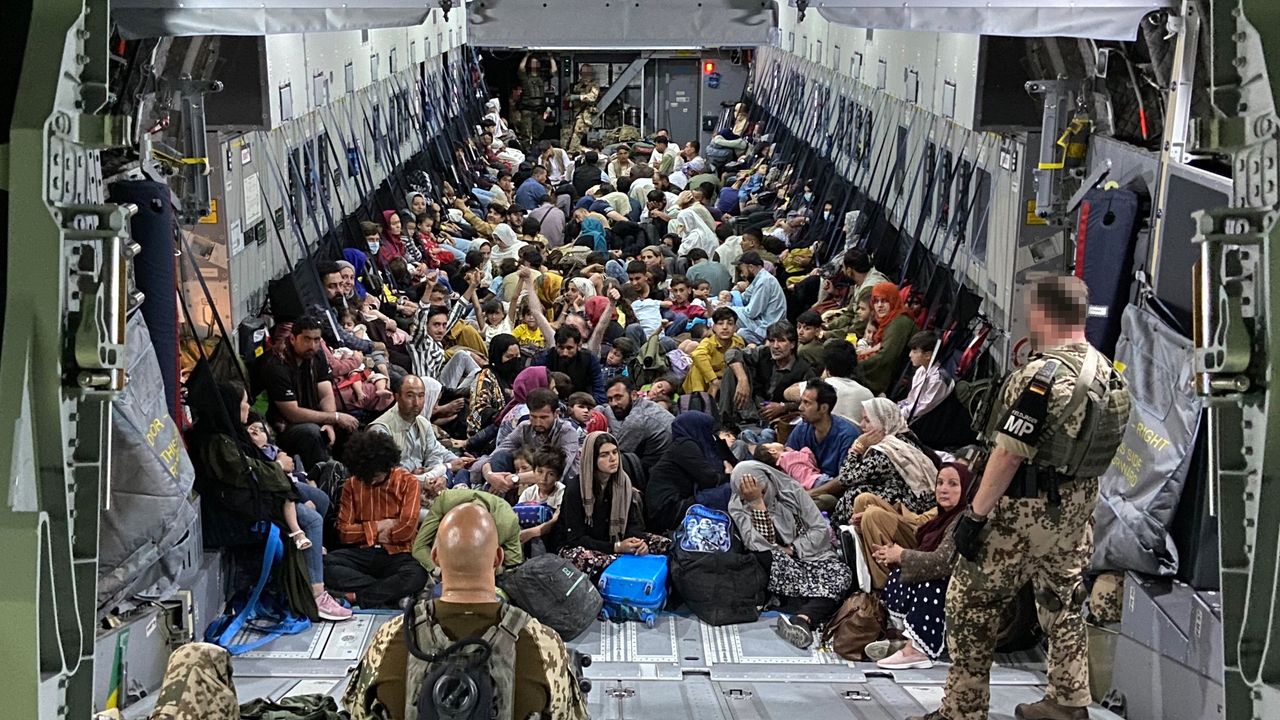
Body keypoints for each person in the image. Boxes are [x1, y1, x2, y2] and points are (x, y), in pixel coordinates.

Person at [916, 276, 1129, 720]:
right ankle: (1069, 702)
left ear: (1043, 313)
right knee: (1063, 601)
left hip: (1022, 512)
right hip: (1077, 509)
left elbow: (1009, 453)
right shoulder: (1108, 373)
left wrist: (974, 515)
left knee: (972, 601)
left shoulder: (1041, 375)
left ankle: (962, 710)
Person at [345, 504, 588, 720]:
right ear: (497, 558)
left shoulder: (389, 637)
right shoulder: (543, 643)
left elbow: (356, 710)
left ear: (435, 557)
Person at [189, 382, 351, 621]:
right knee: (312, 519)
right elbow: (247, 474)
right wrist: (277, 468)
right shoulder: (215, 442)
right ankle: (316, 594)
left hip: (258, 491)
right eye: (243, 402)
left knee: (319, 498)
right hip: (241, 506)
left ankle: (314, 562)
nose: (247, 406)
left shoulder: (231, 431)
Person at [856, 464, 974, 671]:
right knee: (902, 573)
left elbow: (943, 562)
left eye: (953, 484)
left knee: (931, 580)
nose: (943, 489)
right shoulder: (942, 518)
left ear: (967, 489)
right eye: (940, 483)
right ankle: (906, 637)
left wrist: (901, 555)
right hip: (949, 577)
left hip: (965, 586)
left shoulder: (964, 518)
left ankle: (918, 649)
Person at [729, 461, 853, 650]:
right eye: (750, 495)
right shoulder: (738, 506)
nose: (761, 496)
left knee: (842, 574)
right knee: (761, 557)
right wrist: (757, 505)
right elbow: (759, 544)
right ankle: (805, 609)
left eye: (763, 492)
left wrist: (795, 548)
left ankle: (802, 619)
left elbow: (819, 529)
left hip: (812, 556)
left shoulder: (791, 491)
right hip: (778, 561)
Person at [325, 430, 430, 609]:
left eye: (375, 477)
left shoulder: (408, 482)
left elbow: (406, 530)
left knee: (416, 574)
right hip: (364, 553)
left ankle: (357, 596)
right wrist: (379, 526)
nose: (371, 482)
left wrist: (362, 530)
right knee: (324, 564)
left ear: (387, 466)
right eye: (366, 478)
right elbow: (344, 532)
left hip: (399, 554)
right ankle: (390, 593)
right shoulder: (352, 484)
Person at [556, 431, 672, 580]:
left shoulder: (622, 483)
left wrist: (638, 542)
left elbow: (632, 524)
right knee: (588, 561)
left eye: (615, 452)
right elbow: (576, 538)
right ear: (592, 458)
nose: (613, 459)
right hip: (579, 546)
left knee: (665, 545)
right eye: (604, 455)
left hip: (615, 540)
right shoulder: (576, 488)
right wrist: (616, 548)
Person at [813, 398, 940, 522]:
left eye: (867, 420)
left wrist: (857, 448)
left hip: (907, 508)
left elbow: (845, 478)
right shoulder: (902, 437)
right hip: (907, 499)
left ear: (883, 422)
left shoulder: (888, 451)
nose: (861, 424)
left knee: (853, 495)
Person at [260, 315, 360, 471]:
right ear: (293, 339)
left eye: (316, 340)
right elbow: (292, 413)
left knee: (350, 425)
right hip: (284, 426)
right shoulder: (276, 365)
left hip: (314, 415)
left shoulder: (316, 355)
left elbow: (326, 393)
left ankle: (354, 477)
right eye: (306, 339)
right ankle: (326, 478)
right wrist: (334, 417)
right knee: (312, 432)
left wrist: (330, 423)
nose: (312, 345)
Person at [368, 375, 475, 495]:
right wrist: (445, 468)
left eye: (421, 396)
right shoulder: (380, 430)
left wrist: (450, 470)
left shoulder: (422, 422)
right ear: (397, 397)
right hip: (392, 497)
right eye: (410, 396)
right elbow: (390, 480)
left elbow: (435, 452)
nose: (416, 403)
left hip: (422, 486)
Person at [481, 387, 584, 498]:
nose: (538, 422)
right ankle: (497, 502)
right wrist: (490, 476)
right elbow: (491, 457)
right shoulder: (524, 428)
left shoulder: (567, 432)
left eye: (543, 417)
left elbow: (559, 471)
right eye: (533, 417)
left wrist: (516, 478)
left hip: (561, 485)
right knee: (501, 457)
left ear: (556, 413)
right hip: (526, 480)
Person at [645, 411, 736, 533]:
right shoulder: (684, 446)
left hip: (672, 507)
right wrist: (728, 474)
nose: (712, 436)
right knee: (731, 491)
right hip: (669, 511)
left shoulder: (686, 444)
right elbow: (710, 480)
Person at [720, 320, 817, 434]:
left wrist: (783, 407)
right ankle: (725, 424)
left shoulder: (803, 369)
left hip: (778, 419)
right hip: (752, 407)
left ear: (792, 344)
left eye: (781, 341)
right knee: (732, 369)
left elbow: (812, 400)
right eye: (772, 341)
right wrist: (743, 379)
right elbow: (732, 353)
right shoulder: (763, 352)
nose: (775, 346)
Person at [411, 486, 524, 575]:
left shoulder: (509, 523)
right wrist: (439, 571)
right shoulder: (445, 501)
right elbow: (420, 547)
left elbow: (512, 566)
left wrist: (491, 572)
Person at [784, 379, 860, 478]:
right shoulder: (802, 428)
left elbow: (842, 480)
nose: (800, 408)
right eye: (801, 401)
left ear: (824, 408)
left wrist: (811, 493)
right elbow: (785, 458)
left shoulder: (847, 435)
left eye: (807, 403)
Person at [853, 282, 918, 395]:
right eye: (876, 301)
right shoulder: (889, 319)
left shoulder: (900, 322)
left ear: (893, 301)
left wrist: (854, 365)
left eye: (884, 301)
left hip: (893, 378)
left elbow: (886, 357)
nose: (879, 305)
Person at [597, 376, 673, 469]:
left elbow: (616, 456)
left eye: (618, 397)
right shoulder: (648, 406)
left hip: (658, 474)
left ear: (633, 395)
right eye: (610, 399)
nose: (613, 403)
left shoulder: (637, 419)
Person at [530, 325, 607, 404]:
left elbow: (599, 392)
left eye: (569, 348)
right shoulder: (544, 359)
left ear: (579, 346)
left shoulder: (590, 360)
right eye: (561, 348)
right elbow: (534, 392)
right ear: (555, 346)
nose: (565, 353)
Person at [729, 251, 786, 345]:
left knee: (727, 313)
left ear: (751, 267)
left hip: (769, 325)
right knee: (740, 331)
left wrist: (730, 307)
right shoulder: (759, 279)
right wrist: (731, 296)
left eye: (742, 270)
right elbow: (745, 296)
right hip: (761, 322)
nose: (742, 274)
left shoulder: (765, 281)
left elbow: (752, 312)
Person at [900, 330, 953, 422]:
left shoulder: (939, 379)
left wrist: (899, 413)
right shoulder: (921, 370)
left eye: (915, 351)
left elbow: (923, 407)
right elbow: (912, 399)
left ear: (928, 355)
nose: (910, 355)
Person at [563, 64, 599, 153]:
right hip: (573, 114)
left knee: (576, 138)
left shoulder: (594, 85)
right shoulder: (576, 85)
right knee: (566, 138)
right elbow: (567, 97)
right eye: (583, 73)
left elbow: (592, 97)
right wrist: (569, 98)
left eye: (588, 73)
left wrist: (578, 97)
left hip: (585, 115)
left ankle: (573, 153)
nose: (585, 75)